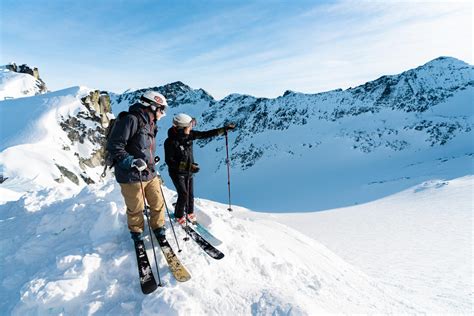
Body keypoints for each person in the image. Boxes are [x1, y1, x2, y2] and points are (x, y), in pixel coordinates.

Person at [106, 90, 168, 244]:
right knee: (136, 208)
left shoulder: (151, 123)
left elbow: (143, 148)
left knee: (158, 202)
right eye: (161, 109)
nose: (162, 113)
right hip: (131, 176)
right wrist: (132, 161)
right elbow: (114, 146)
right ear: (152, 106)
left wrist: (151, 161)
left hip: (149, 172)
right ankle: (137, 233)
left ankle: (158, 228)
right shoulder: (131, 120)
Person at [164, 113, 235, 225]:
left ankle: (190, 212)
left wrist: (223, 130)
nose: (192, 126)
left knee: (190, 194)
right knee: (183, 194)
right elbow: (170, 162)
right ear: (183, 128)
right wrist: (188, 166)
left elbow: (205, 134)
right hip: (177, 173)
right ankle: (178, 215)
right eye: (190, 125)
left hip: (189, 171)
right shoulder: (170, 142)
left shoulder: (189, 135)